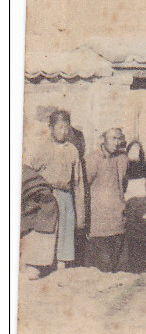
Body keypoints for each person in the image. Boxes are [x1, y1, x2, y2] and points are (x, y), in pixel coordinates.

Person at [24, 110, 84, 270]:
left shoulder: (72, 149)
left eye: (66, 128)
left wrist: (80, 212)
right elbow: (29, 171)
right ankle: (36, 266)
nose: (63, 132)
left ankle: (61, 263)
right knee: (44, 229)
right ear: (51, 128)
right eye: (59, 127)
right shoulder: (42, 147)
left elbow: (78, 181)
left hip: (65, 195)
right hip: (47, 196)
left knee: (65, 228)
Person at [84, 128, 130, 272]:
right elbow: (84, 186)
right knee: (101, 269)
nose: (116, 142)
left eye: (119, 138)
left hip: (118, 220)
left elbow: (123, 185)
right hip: (99, 223)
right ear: (103, 139)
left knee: (120, 270)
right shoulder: (93, 159)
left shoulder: (123, 159)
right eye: (112, 138)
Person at [20, 165, 59, 279]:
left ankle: (30, 266)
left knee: (32, 272)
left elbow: (43, 197)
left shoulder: (26, 173)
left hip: (38, 210)